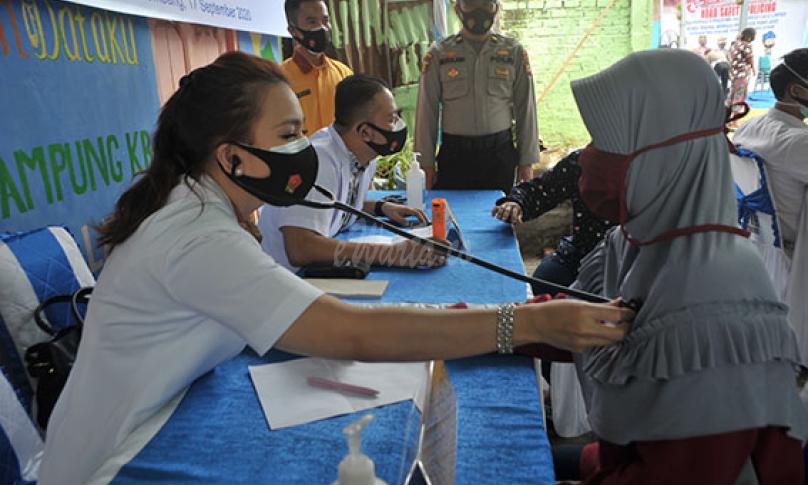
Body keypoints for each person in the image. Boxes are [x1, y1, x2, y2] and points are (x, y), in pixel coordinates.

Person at [37, 52, 632, 485]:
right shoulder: (194, 235)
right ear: (232, 157)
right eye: (289, 134)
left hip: (158, 418)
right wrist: (524, 325)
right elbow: (351, 333)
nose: (305, 149)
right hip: (113, 461)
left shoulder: (204, 208)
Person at [568, 48, 806, 483]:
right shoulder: (636, 241)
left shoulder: (719, 298)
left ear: (663, 157)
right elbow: (577, 317)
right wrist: (505, 326)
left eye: (606, 144)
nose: (586, 158)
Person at [259, 74, 437, 272]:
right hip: (285, 279)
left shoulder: (361, 156)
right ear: (364, 132)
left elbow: (334, 202)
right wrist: (391, 253)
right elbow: (300, 248)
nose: (398, 125)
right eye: (391, 119)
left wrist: (380, 207)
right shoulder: (319, 162)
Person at [414, 0, 538, 193]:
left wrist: (527, 162)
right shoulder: (439, 54)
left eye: (487, 4)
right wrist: (425, 164)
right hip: (455, 155)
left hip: (499, 155)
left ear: (496, 8)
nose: (479, 11)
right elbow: (426, 112)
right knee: (454, 216)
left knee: (499, 216)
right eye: (471, 4)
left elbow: (526, 110)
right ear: (457, 9)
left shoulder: (514, 52)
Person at [733, 47, 808, 355]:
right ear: (797, 90)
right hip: (796, 264)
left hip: (757, 251)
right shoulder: (797, 143)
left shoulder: (749, 127)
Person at [491, 149, 615, 297]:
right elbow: (541, 189)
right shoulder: (582, 161)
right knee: (543, 282)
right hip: (580, 251)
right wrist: (516, 202)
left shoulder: (645, 169)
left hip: (630, 260)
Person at [281, 0, 352, 136]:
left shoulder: (344, 74)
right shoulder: (280, 79)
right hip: (303, 156)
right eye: (312, 22)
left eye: (325, 21)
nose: (322, 28)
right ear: (293, 30)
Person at [728, 28, 756, 116]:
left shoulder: (734, 44)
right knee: (739, 95)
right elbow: (749, 58)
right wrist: (753, 68)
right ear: (750, 37)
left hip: (733, 73)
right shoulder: (746, 45)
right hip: (741, 74)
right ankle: (734, 119)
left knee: (732, 94)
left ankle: (728, 116)